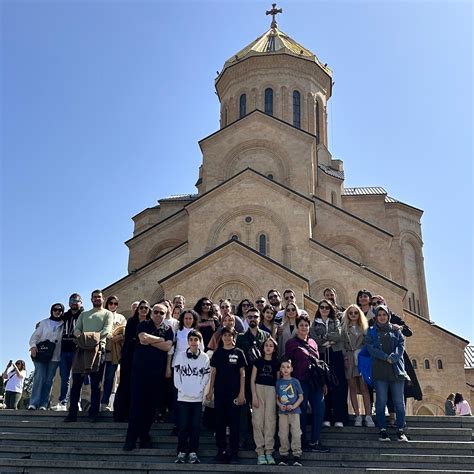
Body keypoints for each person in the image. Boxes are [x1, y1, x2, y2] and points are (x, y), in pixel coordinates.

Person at [123, 302, 174, 450]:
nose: (158, 315)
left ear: (165, 315)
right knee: (136, 406)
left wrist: (153, 341)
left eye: (162, 313)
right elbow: (142, 339)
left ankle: (144, 436)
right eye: (156, 312)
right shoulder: (144, 324)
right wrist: (160, 340)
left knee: (151, 407)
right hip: (140, 372)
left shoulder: (168, 328)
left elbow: (168, 346)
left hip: (157, 374)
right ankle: (130, 440)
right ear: (152, 313)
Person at [64, 290, 113, 422]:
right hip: (81, 350)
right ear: (91, 299)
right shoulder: (84, 314)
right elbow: (77, 329)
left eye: (99, 297)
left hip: (98, 350)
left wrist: (89, 339)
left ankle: (93, 413)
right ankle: (72, 413)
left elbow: (106, 331)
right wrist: (83, 339)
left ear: (103, 299)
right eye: (95, 297)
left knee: (95, 384)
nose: (97, 299)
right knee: (76, 382)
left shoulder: (107, 314)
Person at [286, 315, 329, 453]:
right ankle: (302, 442)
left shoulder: (313, 343)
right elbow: (288, 363)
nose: (304, 327)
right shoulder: (291, 343)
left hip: (315, 381)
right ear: (297, 327)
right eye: (301, 325)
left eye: (306, 325)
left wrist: (323, 383)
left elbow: (318, 363)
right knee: (302, 412)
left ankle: (315, 441)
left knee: (319, 409)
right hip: (300, 381)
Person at [365, 305, 408, 442]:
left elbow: (401, 345)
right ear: (376, 317)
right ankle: (382, 430)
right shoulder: (371, 332)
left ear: (388, 316)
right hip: (380, 370)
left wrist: (394, 357)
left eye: (384, 314)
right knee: (381, 401)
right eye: (379, 315)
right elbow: (371, 348)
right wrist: (385, 357)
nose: (382, 317)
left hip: (396, 371)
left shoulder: (396, 331)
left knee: (399, 402)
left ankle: (400, 430)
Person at [206, 327, 246, 464]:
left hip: (234, 394)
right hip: (220, 393)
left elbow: (242, 374)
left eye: (230, 335)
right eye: (225, 335)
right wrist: (210, 391)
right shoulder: (217, 353)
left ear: (233, 337)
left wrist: (242, 393)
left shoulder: (239, 352)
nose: (227, 338)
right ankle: (221, 451)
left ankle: (234, 453)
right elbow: (213, 373)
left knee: (234, 425)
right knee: (220, 424)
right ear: (221, 337)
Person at [173, 330, 211, 464]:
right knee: (183, 426)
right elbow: (176, 377)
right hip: (183, 398)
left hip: (197, 399)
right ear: (188, 341)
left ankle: (193, 452)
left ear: (200, 342)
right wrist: (183, 389)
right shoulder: (180, 356)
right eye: (191, 340)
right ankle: (182, 452)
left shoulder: (205, 358)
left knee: (195, 426)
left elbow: (206, 377)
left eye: (196, 340)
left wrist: (199, 390)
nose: (194, 342)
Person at [310, 299, 348, 427]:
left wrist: (325, 339)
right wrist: (328, 340)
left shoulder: (335, 321)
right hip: (321, 356)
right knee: (324, 385)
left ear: (331, 309)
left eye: (327, 307)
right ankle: (326, 417)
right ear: (319, 309)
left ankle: (339, 418)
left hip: (335, 354)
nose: (324, 309)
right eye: (322, 307)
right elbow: (314, 339)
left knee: (338, 385)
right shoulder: (314, 323)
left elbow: (338, 335)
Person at [236, 307, 269, 449]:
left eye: (255, 316)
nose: (253, 319)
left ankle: (261, 440)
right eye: (250, 317)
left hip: (263, 378)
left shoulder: (266, 336)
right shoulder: (241, 337)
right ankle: (242, 439)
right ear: (246, 319)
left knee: (261, 411)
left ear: (259, 318)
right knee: (243, 411)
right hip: (247, 377)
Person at [113, 300, 151, 422]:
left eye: (146, 308)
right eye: (141, 308)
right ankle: (121, 413)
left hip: (143, 357)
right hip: (130, 356)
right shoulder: (131, 321)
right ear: (138, 310)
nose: (144, 310)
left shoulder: (150, 323)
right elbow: (130, 337)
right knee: (126, 384)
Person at [341, 305, 374, 427]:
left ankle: (368, 415)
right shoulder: (344, 329)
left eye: (356, 313)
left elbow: (368, 344)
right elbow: (342, 344)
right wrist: (345, 357)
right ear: (347, 315)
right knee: (352, 388)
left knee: (364, 387)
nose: (353, 315)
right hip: (349, 358)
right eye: (351, 313)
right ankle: (357, 415)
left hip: (361, 358)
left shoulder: (364, 328)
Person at [28, 303, 65, 410]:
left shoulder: (63, 324)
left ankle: (43, 403)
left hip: (55, 356)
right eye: (55, 309)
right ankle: (34, 402)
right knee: (39, 377)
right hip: (41, 354)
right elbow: (34, 337)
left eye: (60, 310)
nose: (57, 312)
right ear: (51, 310)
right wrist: (33, 347)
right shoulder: (44, 323)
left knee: (49, 380)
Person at [52, 293, 84, 411]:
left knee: (77, 378)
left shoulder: (84, 315)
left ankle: (76, 402)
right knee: (64, 378)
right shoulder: (64, 316)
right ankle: (63, 402)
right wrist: (40, 323)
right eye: (72, 300)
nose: (74, 302)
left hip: (77, 350)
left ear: (81, 303)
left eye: (77, 301)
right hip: (64, 350)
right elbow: (53, 320)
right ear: (69, 303)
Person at [250, 337, 279, 465]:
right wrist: (254, 396)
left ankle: (269, 451)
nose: (268, 347)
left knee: (270, 421)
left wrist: (278, 397)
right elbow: (252, 380)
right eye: (266, 345)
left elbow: (278, 381)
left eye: (271, 346)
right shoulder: (258, 362)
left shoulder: (277, 363)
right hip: (258, 390)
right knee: (257, 421)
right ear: (263, 348)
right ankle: (260, 451)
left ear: (274, 348)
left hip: (272, 391)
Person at [276, 358, 304, 466]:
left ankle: (296, 455)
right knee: (283, 433)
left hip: (295, 412)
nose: (285, 369)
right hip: (282, 412)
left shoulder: (295, 381)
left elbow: (301, 397)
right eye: (283, 367)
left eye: (288, 367)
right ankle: (284, 455)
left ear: (291, 369)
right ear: (280, 369)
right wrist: (280, 405)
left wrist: (294, 406)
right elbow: (277, 398)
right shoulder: (278, 383)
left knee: (296, 433)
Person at [100, 295, 126, 411]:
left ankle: (105, 402)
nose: (113, 305)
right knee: (97, 378)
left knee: (110, 378)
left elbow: (125, 331)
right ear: (107, 304)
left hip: (113, 352)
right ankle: (95, 402)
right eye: (111, 303)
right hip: (99, 351)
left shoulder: (120, 318)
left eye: (115, 304)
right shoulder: (101, 315)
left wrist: (120, 336)